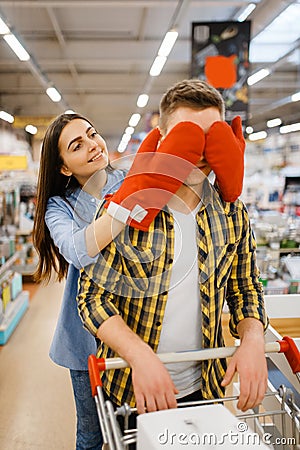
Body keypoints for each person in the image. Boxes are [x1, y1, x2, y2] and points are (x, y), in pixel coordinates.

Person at [76, 78, 269, 427]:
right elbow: (92, 299)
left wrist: (253, 338)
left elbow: (245, 287)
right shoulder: (126, 211)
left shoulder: (231, 213)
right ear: (163, 140)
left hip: (207, 387)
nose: (200, 151)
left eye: (211, 137)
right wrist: (140, 355)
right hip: (133, 388)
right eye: (188, 136)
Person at [33, 113, 127, 450]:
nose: (92, 145)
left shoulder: (130, 179)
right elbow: (77, 250)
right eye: (77, 145)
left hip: (139, 330)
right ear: (64, 168)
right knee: (92, 434)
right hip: (86, 341)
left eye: (92, 134)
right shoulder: (60, 207)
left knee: (133, 427)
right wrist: (125, 207)